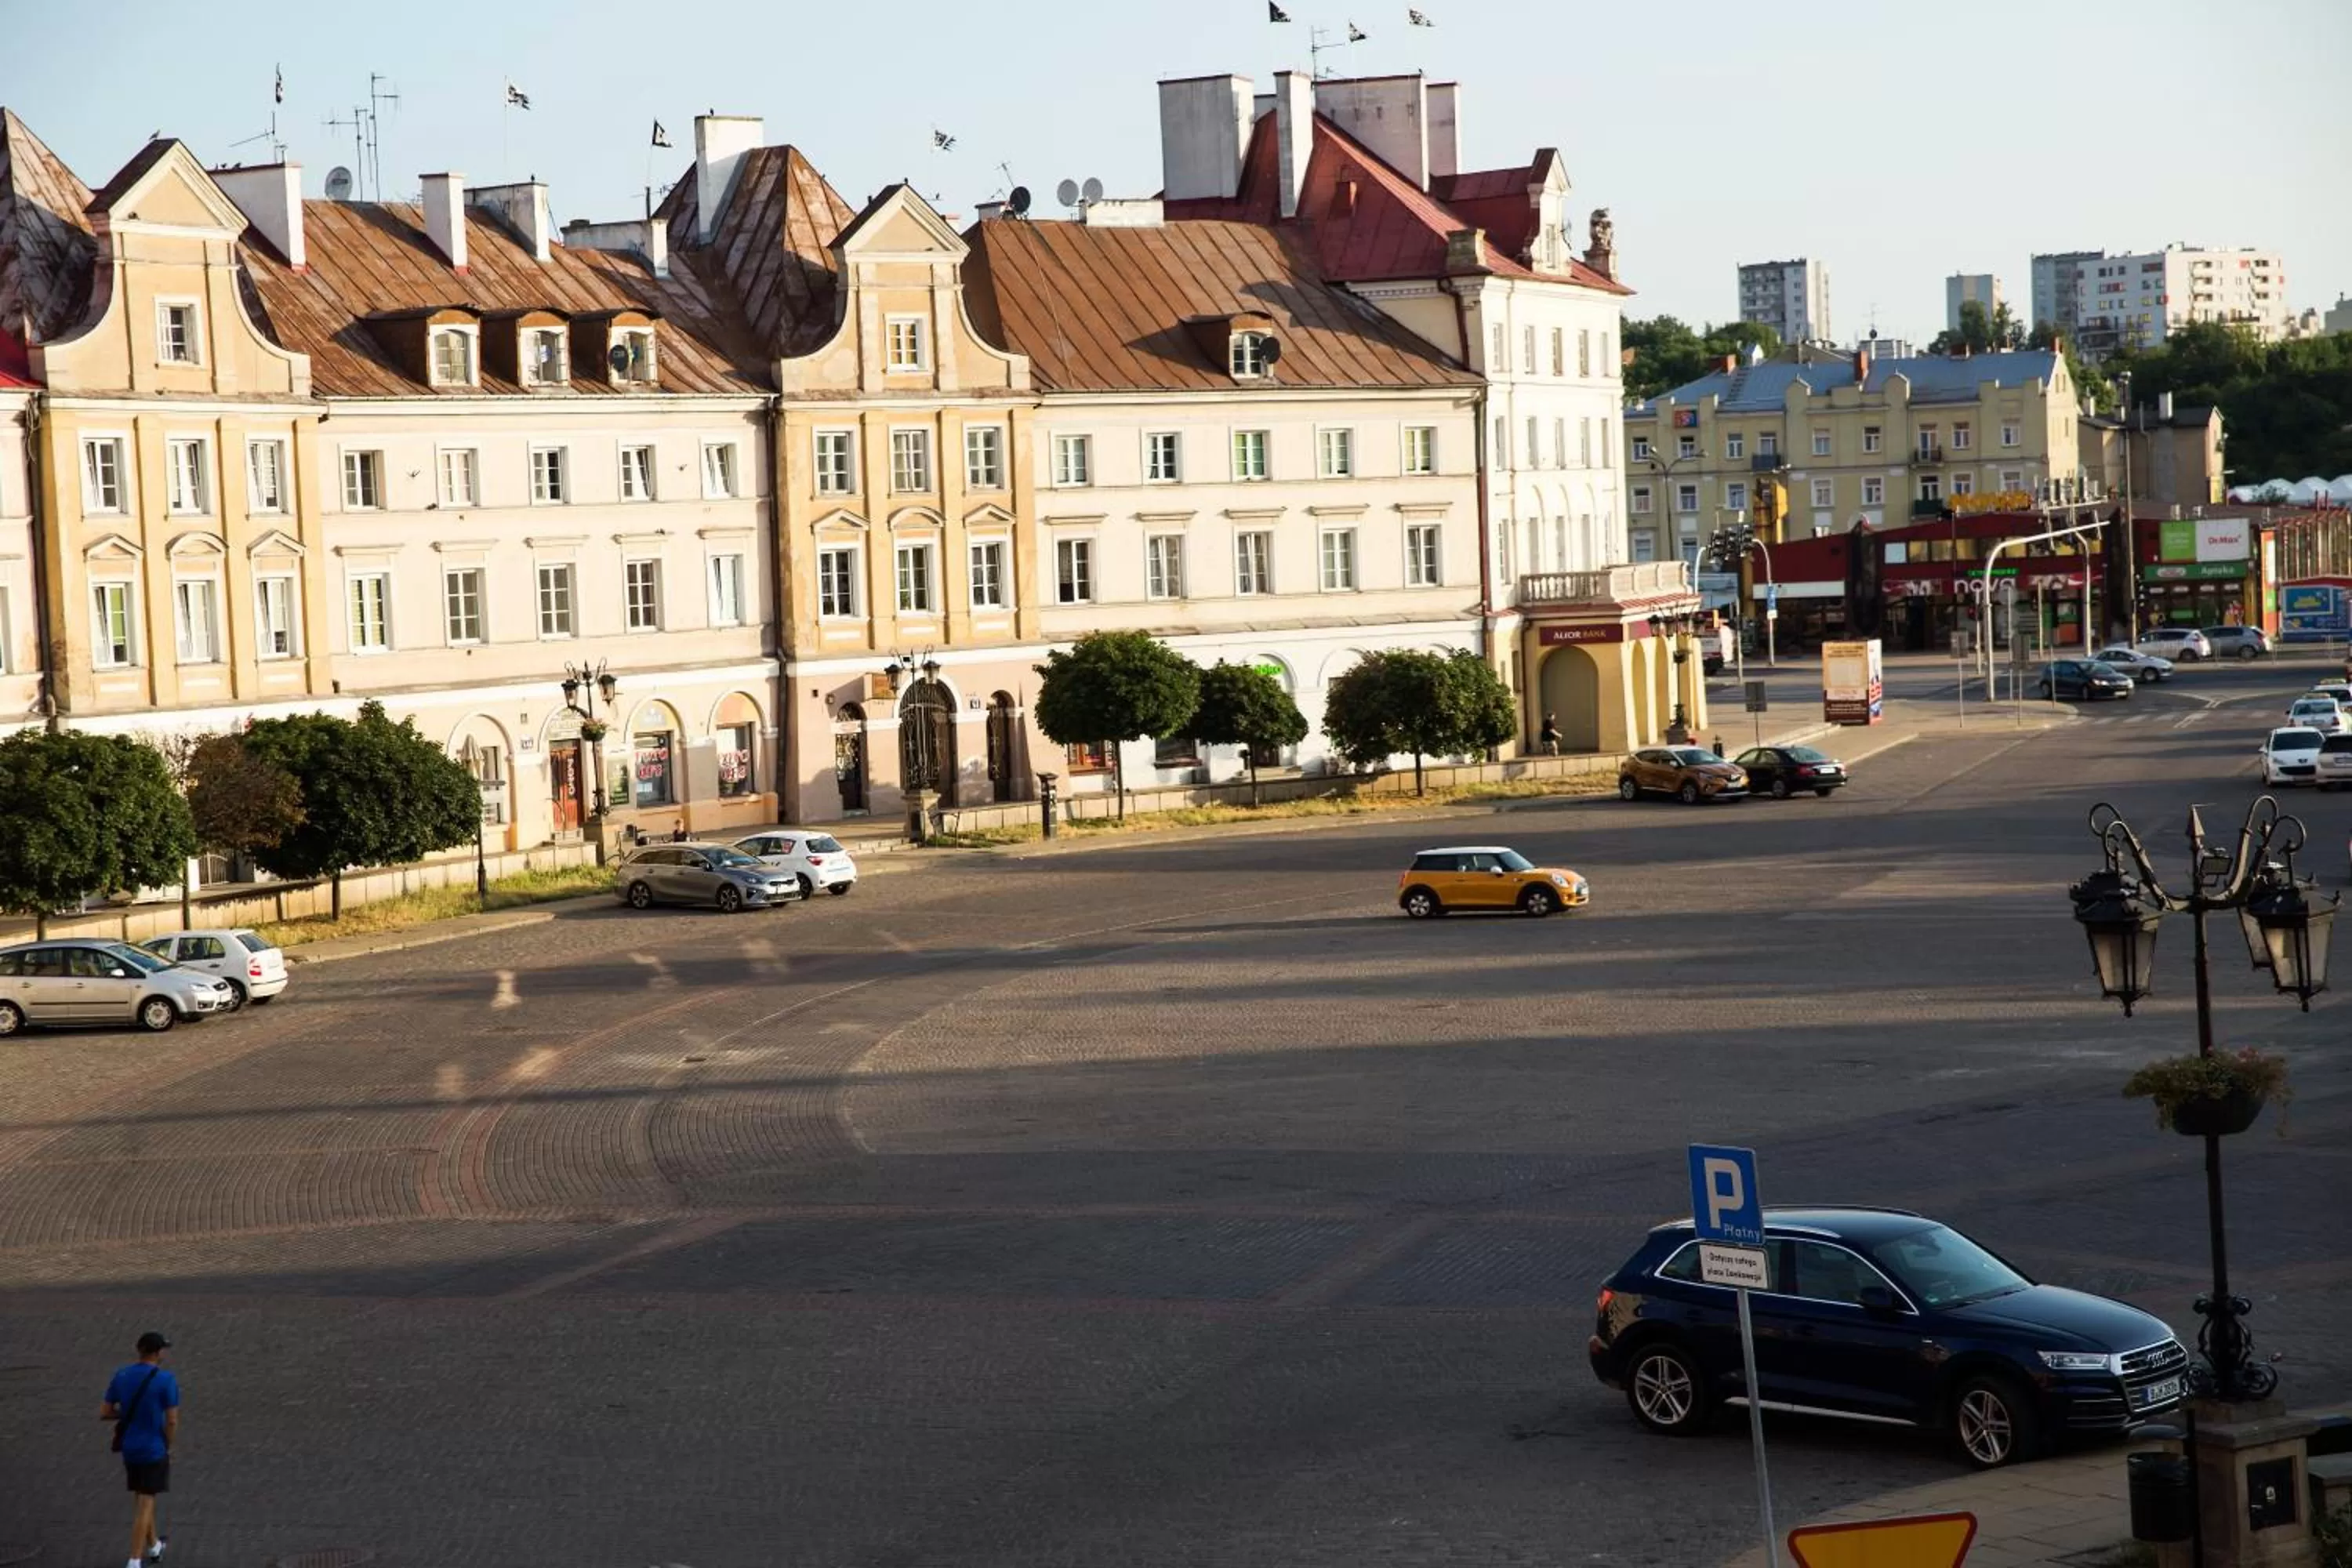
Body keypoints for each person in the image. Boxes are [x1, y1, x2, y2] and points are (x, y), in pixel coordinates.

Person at [100, 1330, 178, 1567]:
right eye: (164, 1349)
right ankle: (134, 1560)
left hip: (129, 1448)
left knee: (143, 1495)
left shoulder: (122, 1375)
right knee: (145, 1503)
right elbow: (173, 1420)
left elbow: (105, 1412)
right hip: (153, 1448)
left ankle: (154, 1545)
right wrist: (169, 1444)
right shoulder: (166, 1380)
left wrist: (127, 1414)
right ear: (157, 1352)